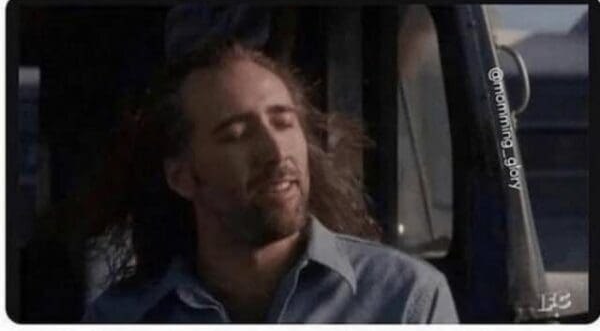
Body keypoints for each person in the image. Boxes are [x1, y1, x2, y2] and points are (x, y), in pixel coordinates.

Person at [82, 38, 458, 323]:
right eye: (236, 134)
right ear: (182, 177)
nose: (277, 153)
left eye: (283, 122)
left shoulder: (405, 299)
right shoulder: (120, 317)